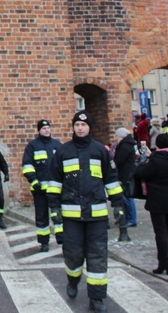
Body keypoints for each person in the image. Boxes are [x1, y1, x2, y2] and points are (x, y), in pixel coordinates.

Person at [47, 111, 124, 313]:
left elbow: (111, 179)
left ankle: (97, 298)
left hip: (96, 216)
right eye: (77, 125)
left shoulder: (100, 151)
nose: (80, 128)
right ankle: (73, 280)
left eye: (84, 124)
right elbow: (54, 183)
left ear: (89, 127)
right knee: (73, 255)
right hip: (71, 217)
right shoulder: (63, 152)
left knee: (98, 256)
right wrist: (54, 209)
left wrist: (118, 204)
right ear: (73, 128)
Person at [134, 132, 168, 276]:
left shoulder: (156, 161)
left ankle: (164, 264)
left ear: (157, 145)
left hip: (157, 200)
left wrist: (143, 162)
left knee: (161, 233)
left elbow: (141, 173)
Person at [22, 119, 63, 251]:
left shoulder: (57, 145)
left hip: (56, 189)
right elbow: (27, 165)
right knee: (41, 216)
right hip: (40, 189)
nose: (46, 130)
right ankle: (44, 242)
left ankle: (62, 240)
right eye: (44, 128)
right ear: (39, 130)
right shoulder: (32, 146)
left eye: (48, 128)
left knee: (58, 215)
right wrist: (34, 181)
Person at [113, 127, 137, 237]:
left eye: (117, 136)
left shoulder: (125, 146)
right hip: (127, 173)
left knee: (127, 197)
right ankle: (130, 218)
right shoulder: (128, 144)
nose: (116, 138)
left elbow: (119, 160)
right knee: (127, 196)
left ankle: (131, 219)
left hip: (125, 174)